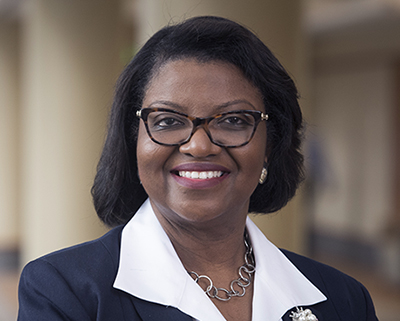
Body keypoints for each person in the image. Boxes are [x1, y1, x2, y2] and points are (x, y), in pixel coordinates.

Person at [17, 16, 378, 321]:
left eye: (234, 120)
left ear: (270, 145)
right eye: (167, 120)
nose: (199, 145)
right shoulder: (63, 293)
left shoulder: (345, 301)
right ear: (134, 142)